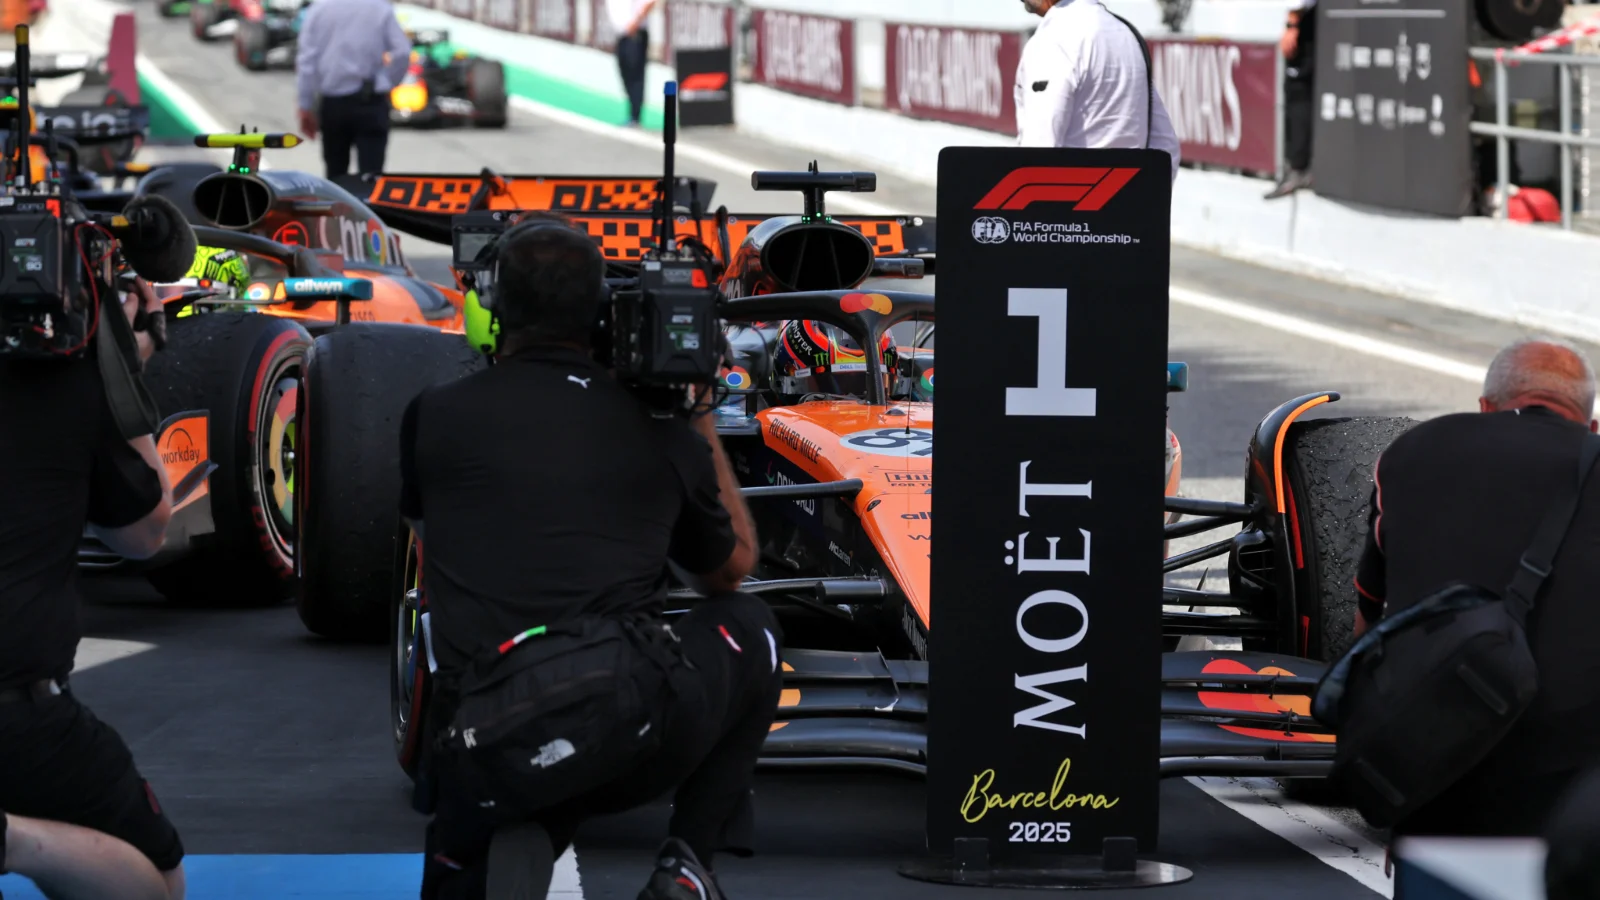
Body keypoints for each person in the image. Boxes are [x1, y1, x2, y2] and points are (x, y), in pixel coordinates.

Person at [402, 217, 782, 900]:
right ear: (603, 309)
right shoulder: (660, 430)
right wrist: (694, 412)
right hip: (629, 729)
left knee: (508, 774)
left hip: (483, 731)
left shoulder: (431, 413)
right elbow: (731, 569)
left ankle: (522, 815)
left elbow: (432, 536)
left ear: (494, 305)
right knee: (750, 626)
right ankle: (689, 861)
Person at [1353, 337, 1600, 838]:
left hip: (1433, 756)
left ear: (1486, 407)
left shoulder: (1412, 450)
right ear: (1591, 425)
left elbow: (1366, 622)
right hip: (1571, 779)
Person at [0, 278, 185, 900]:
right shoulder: (70, 382)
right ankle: (8, 840)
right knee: (158, 882)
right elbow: (145, 534)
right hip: (19, 714)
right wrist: (120, 376)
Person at [1016, 0, 1182, 182]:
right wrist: (1140, 198)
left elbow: (1037, 155)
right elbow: (1166, 146)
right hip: (1129, 196)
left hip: (1066, 197)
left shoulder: (1053, 39)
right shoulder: (1127, 34)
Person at [295, 0, 411, 178]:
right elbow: (402, 51)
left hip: (334, 104)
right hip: (371, 100)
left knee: (336, 175)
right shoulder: (379, 8)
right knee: (371, 177)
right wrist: (388, 82)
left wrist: (305, 105)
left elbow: (307, 62)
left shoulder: (318, 9)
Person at [1265, 0, 1316, 199]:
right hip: (1307, 19)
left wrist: (1293, 23)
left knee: (1299, 92)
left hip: (1307, 21)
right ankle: (1298, 168)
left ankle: (1298, 169)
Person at [609, 0, 658, 127]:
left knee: (635, 76)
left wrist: (636, 23)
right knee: (625, 73)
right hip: (622, 35)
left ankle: (635, 116)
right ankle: (632, 113)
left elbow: (649, 3)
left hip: (634, 34)